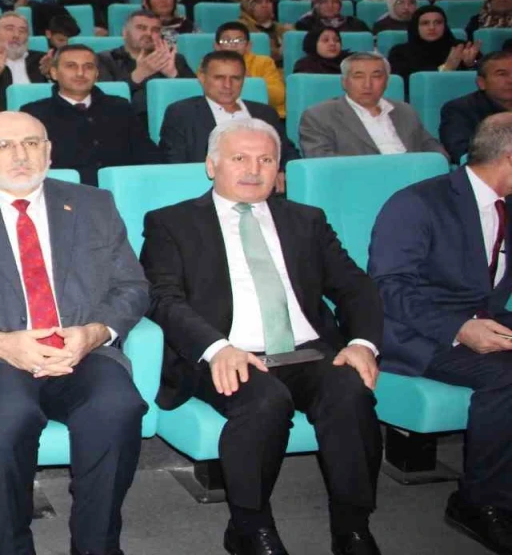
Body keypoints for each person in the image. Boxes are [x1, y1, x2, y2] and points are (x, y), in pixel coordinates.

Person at [142, 118, 385, 555]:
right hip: (225, 353)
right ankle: (250, 527)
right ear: (212, 165)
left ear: (278, 168)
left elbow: (354, 286)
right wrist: (216, 347)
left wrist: (362, 344)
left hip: (308, 351)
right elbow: (162, 298)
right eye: (240, 158)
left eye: (266, 160)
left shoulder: (306, 220)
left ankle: (353, 526)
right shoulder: (171, 223)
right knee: (264, 401)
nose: (254, 170)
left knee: (350, 392)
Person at [0, 110, 148, 555]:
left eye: (31, 143)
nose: (20, 155)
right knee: (7, 415)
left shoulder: (93, 204)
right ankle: (10, 545)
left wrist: (95, 333)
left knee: (117, 406)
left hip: (82, 352)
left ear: (49, 151)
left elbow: (132, 287)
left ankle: (97, 545)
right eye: (4, 146)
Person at [369, 113, 512, 555]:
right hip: (417, 331)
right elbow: (388, 288)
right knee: (506, 374)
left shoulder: (505, 203)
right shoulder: (418, 203)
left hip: (484, 315)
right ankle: (479, 502)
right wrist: (459, 329)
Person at [20, 44, 159, 185]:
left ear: (97, 74)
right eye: (71, 66)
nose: (80, 73)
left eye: (88, 67)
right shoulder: (34, 114)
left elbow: (149, 156)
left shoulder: (120, 107)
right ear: (54, 73)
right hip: (63, 191)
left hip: (121, 188)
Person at [160, 50, 298, 172]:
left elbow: (289, 154)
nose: (227, 85)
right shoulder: (182, 113)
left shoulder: (265, 113)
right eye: (219, 78)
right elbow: (174, 165)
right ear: (202, 78)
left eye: (235, 78)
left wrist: (281, 171)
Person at [299, 52, 446, 159]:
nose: (367, 84)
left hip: (414, 179)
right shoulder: (319, 115)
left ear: (386, 81)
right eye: (358, 76)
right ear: (344, 82)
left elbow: (432, 147)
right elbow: (321, 160)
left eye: (376, 76)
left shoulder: (405, 110)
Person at [97, 9, 197, 124]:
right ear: (124, 32)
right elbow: (103, 101)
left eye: (155, 30)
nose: (149, 33)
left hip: (173, 123)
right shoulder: (105, 59)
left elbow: (198, 97)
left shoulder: (174, 59)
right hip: (122, 124)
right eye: (141, 28)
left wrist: (173, 75)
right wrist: (137, 76)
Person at [440, 51, 512, 164]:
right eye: (502, 74)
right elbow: (460, 151)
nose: (510, 80)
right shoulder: (459, 109)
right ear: (481, 82)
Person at [388, 6, 481, 86]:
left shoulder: (462, 47)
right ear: (416, 27)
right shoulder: (400, 52)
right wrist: (445, 69)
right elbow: (403, 85)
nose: (432, 27)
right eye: (425, 23)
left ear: (445, 26)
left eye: (438, 22)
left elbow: (484, 77)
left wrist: (471, 65)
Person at [214, 22, 286, 118]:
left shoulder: (264, 62)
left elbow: (279, 95)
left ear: (248, 46)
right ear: (217, 46)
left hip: (261, 115)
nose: (233, 45)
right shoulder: (209, 65)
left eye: (239, 40)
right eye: (227, 41)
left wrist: (251, 83)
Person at [239, 0, 290, 65]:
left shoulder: (282, 28)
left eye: (268, 1)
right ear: (247, 5)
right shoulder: (240, 28)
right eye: (258, 2)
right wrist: (279, 52)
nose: (264, 5)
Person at [294, 0, 371, 33]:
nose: (330, 6)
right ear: (316, 5)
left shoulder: (355, 23)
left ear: (340, 6)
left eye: (335, 2)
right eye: (324, 2)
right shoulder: (306, 24)